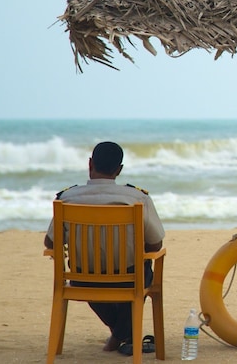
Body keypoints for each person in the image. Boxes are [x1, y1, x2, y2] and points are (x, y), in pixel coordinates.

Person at [44, 142, 166, 355]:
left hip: (82, 279)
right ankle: (122, 335)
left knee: (94, 273)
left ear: (90, 164)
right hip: (129, 278)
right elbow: (156, 244)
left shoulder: (67, 198)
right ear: (119, 169)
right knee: (143, 271)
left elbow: (50, 243)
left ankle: (119, 335)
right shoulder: (137, 198)